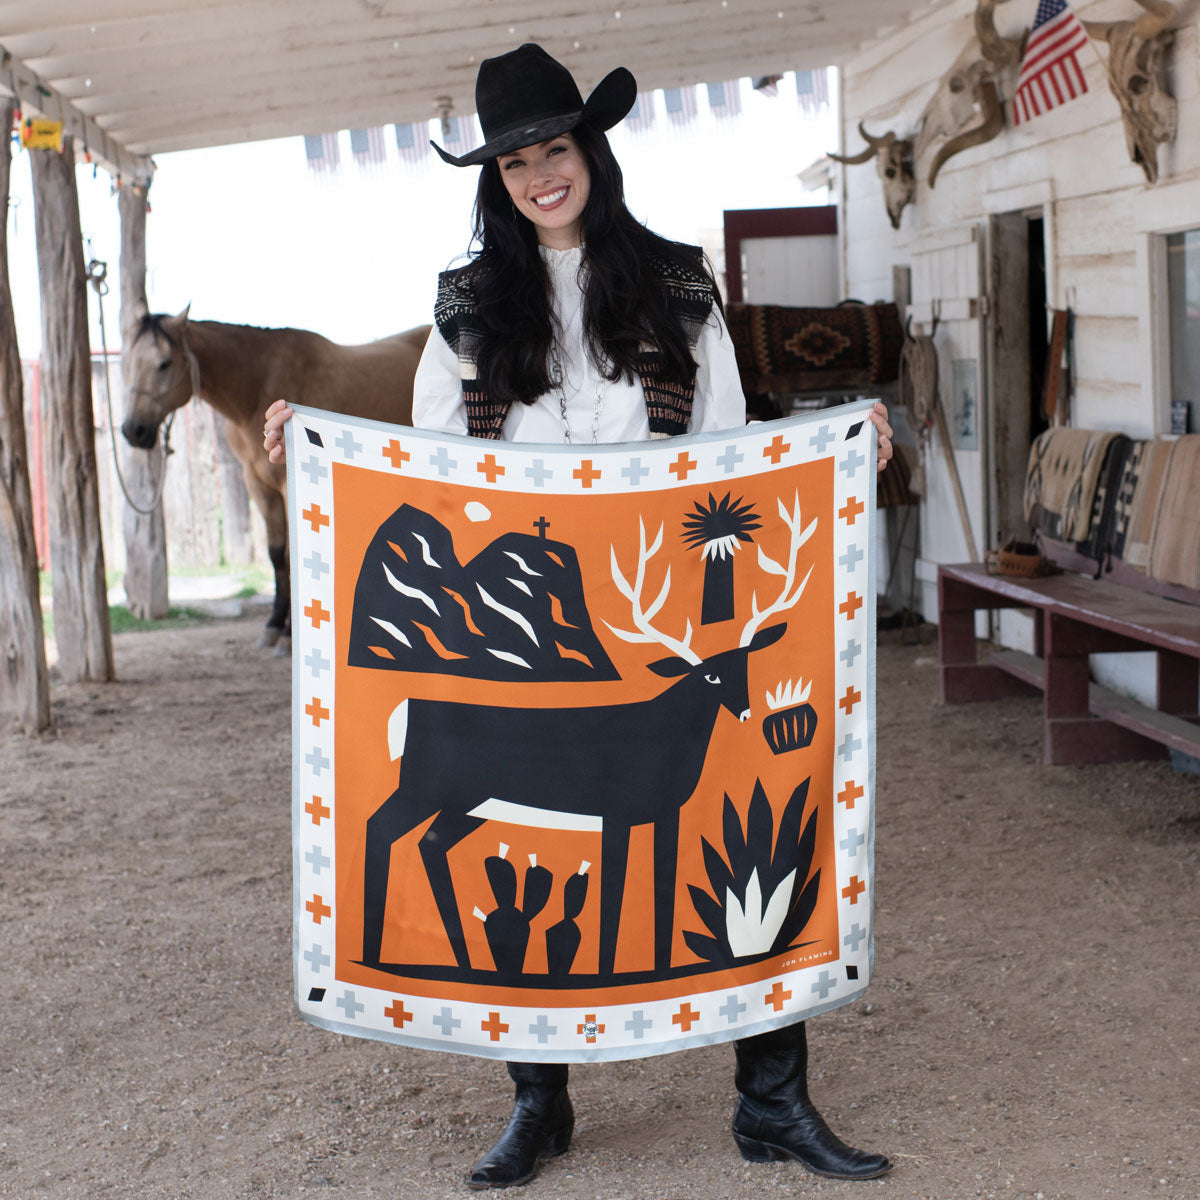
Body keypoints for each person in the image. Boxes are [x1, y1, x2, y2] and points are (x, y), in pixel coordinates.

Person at [265, 42, 894, 1191]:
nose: (538, 175)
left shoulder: (680, 282)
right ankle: (540, 1104)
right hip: (535, 629)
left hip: (661, 615)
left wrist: (845, 448)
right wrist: (311, 451)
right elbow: (430, 474)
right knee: (518, 843)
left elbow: (739, 451)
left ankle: (774, 1101)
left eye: (553, 149)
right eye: (513, 162)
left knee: (738, 816)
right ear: (493, 180)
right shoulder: (465, 310)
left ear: (588, 151)